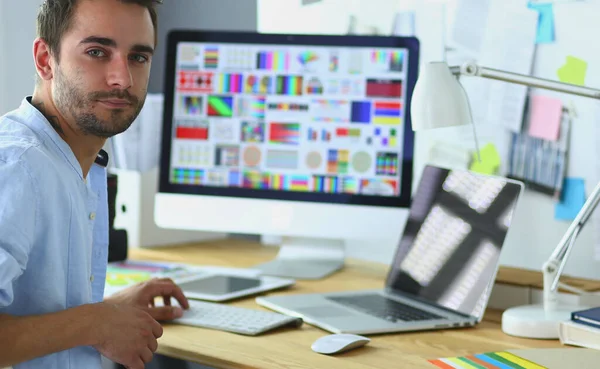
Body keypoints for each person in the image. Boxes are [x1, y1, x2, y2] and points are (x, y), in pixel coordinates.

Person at [0, 1, 190, 368]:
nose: (122, 79)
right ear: (45, 59)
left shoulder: (76, 163)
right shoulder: (18, 167)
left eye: (138, 57)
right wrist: (93, 322)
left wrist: (106, 311)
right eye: (97, 52)